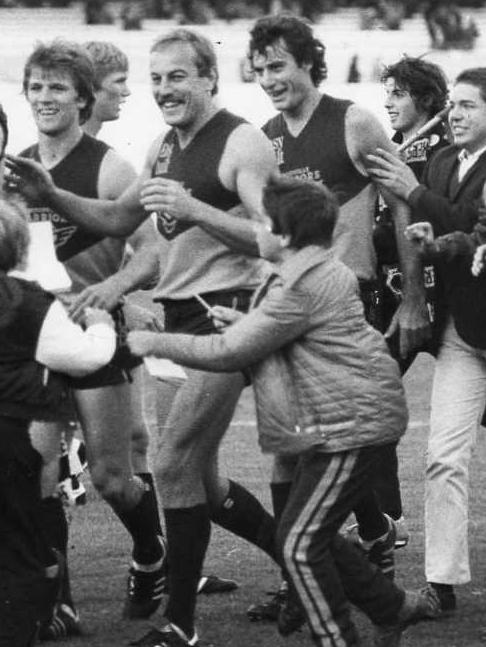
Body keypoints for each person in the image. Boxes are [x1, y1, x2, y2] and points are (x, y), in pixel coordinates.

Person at [7, 29, 281, 647]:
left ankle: (179, 624)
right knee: (199, 485)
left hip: (226, 316)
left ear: (211, 77)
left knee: (166, 464)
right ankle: (323, 574)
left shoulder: (242, 141)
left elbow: (274, 241)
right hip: (169, 322)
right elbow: (116, 218)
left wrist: (196, 210)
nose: (162, 90)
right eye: (155, 79)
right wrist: (49, 194)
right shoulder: (163, 145)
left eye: (177, 77)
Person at [126, 174, 441, 647]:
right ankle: (391, 607)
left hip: (355, 427)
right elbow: (291, 332)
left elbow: (231, 352)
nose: (255, 229)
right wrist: (243, 321)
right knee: (308, 534)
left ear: (284, 235)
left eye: (263, 223)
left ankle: (337, 636)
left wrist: (151, 341)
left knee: (298, 542)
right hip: (342, 421)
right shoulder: (304, 273)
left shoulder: (300, 283)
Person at [244, 13, 430, 622]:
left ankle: (365, 543)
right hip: (297, 311)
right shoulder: (264, 136)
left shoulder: (353, 121)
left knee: (337, 440)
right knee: (287, 444)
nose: (270, 78)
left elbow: (401, 204)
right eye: (262, 67)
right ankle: (308, 573)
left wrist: (412, 299)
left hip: (356, 302)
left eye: (280, 66)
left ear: (308, 63)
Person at [18, 40, 167, 638]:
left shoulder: (109, 166)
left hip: (98, 338)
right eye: (36, 87)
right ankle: (61, 600)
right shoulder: (18, 168)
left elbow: (153, 252)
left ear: (83, 98)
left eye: (58, 87)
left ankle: (153, 552)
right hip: (36, 347)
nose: (46, 98)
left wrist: (115, 288)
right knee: (40, 477)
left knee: (111, 479)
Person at [367, 66, 486, 617]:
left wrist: (413, 196)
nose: (456, 115)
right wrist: (427, 241)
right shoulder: (441, 161)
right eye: (455, 105)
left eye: (469, 106)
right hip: (465, 333)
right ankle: (441, 584)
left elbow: (468, 223)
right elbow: (448, 234)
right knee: (443, 456)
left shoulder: (429, 170)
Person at [0, 191, 117, 645]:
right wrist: (102, 323)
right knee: (24, 553)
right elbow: (84, 358)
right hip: (15, 435)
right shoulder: (28, 301)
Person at [346, 56, 450, 548]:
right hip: (397, 297)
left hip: (443, 297)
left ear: (427, 99)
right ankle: (388, 518)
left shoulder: (444, 149)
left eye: (398, 94)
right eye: (386, 93)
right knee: (374, 396)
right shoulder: (399, 148)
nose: (387, 102)